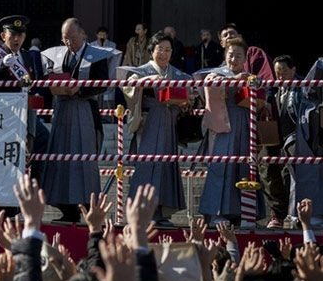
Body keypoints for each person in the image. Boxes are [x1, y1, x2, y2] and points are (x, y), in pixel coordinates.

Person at [39, 17, 111, 222]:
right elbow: (47, 79)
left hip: (84, 111)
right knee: (60, 158)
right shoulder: (58, 55)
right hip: (62, 112)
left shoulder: (96, 56)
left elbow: (103, 83)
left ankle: (86, 207)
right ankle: (65, 208)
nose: (69, 42)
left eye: (72, 37)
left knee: (83, 159)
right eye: (65, 38)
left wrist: (81, 88)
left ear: (83, 35)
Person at [118, 32, 191, 225]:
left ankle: (163, 213)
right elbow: (128, 86)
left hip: (168, 123)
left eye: (168, 50)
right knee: (147, 166)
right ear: (152, 51)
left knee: (166, 166)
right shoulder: (142, 71)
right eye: (160, 49)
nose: (164, 54)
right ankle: (143, 212)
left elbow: (189, 94)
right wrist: (144, 82)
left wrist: (185, 99)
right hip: (149, 123)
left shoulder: (176, 73)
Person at [198, 37, 254, 225]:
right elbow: (209, 85)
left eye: (239, 56)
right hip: (223, 125)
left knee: (245, 167)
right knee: (221, 167)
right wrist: (233, 80)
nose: (234, 60)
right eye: (231, 55)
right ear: (225, 55)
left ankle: (243, 212)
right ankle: (216, 212)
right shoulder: (216, 74)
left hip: (244, 124)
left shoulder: (249, 76)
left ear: (245, 58)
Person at [0, 15, 49, 180]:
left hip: (26, 110)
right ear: (3, 36)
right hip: (6, 113)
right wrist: (3, 63)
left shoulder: (27, 56)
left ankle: (34, 186)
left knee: (43, 139)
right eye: (12, 35)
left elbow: (33, 81)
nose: (16, 39)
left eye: (20, 35)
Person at [274, 55, 323, 228]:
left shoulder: (301, 89)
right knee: (293, 179)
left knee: (301, 178)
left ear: (294, 69)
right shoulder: (281, 90)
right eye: (277, 73)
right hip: (291, 141)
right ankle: (296, 214)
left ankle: (299, 214)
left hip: (302, 140)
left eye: (284, 71)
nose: (280, 76)